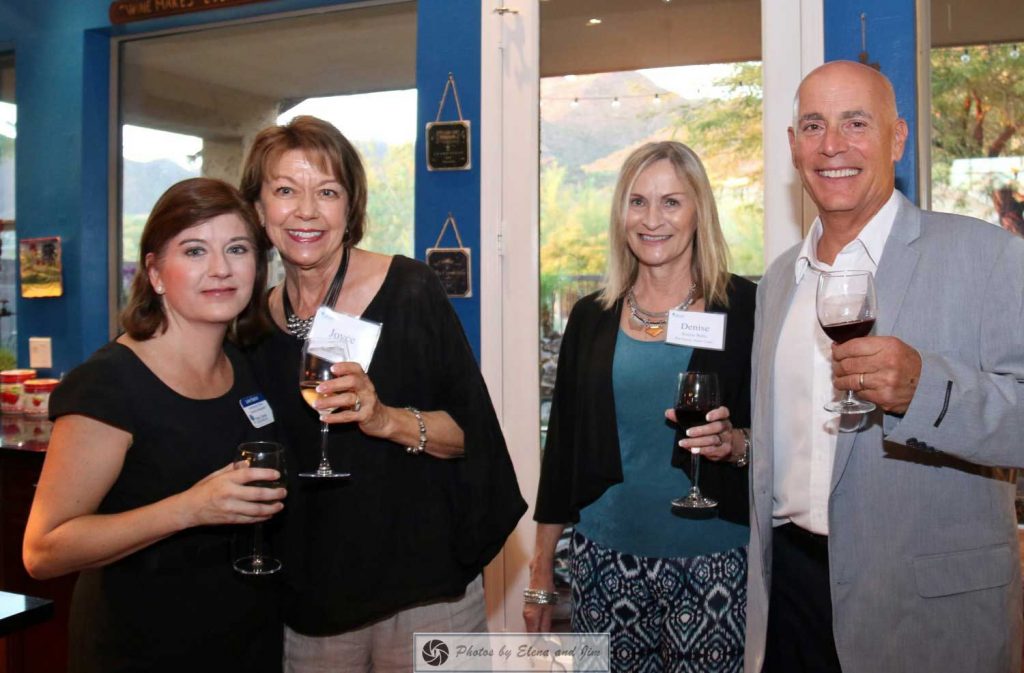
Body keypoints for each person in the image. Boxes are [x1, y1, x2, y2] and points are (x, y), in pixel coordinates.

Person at [746, 60, 1024, 673]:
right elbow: (794, 446)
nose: (833, 146)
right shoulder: (778, 281)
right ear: (793, 146)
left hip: (928, 613)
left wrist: (927, 390)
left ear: (896, 138)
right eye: (814, 126)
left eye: (855, 123)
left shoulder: (989, 258)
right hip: (789, 597)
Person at [240, 115, 525, 672]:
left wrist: (386, 418)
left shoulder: (410, 291)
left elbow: (474, 439)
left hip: (424, 597)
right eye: (284, 191)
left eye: (327, 191)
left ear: (351, 207)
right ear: (257, 209)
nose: (305, 210)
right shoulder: (252, 325)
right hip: (312, 602)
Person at [22, 178, 286, 673]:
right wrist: (190, 508)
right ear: (156, 273)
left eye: (237, 248)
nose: (221, 269)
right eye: (193, 250)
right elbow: (43, 550)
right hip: (141, 647)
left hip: (247, 639)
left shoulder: (246, 366)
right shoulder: (108, 384)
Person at [527, 141, 755, 672]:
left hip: (714, 561)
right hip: (605, 560)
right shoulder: (592, 316)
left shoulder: (744, 307)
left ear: (700, 211)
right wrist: (541, 574)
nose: (653, 219)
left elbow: (777, 432)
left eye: (672, 202)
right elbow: (561, 451)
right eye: (638, 202)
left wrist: (737, 444)